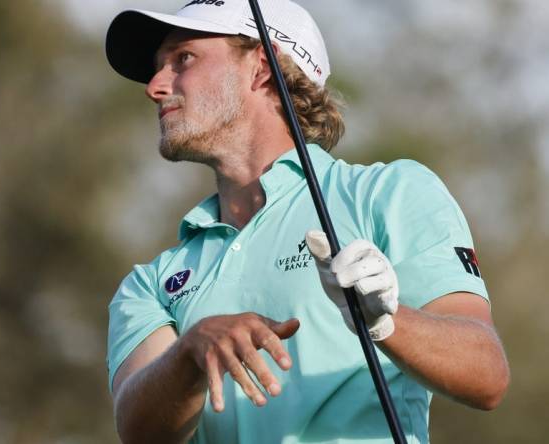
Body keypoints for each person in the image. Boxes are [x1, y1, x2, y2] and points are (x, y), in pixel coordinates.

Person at [104, 1, 510, 443]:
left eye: (183, 59)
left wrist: (387, 323)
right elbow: (140, 432)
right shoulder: (151, 282)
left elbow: (486, 374)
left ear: (262, 67)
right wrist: (189, 351)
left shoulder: (387, 192)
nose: (156, 86)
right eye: (158, 68)